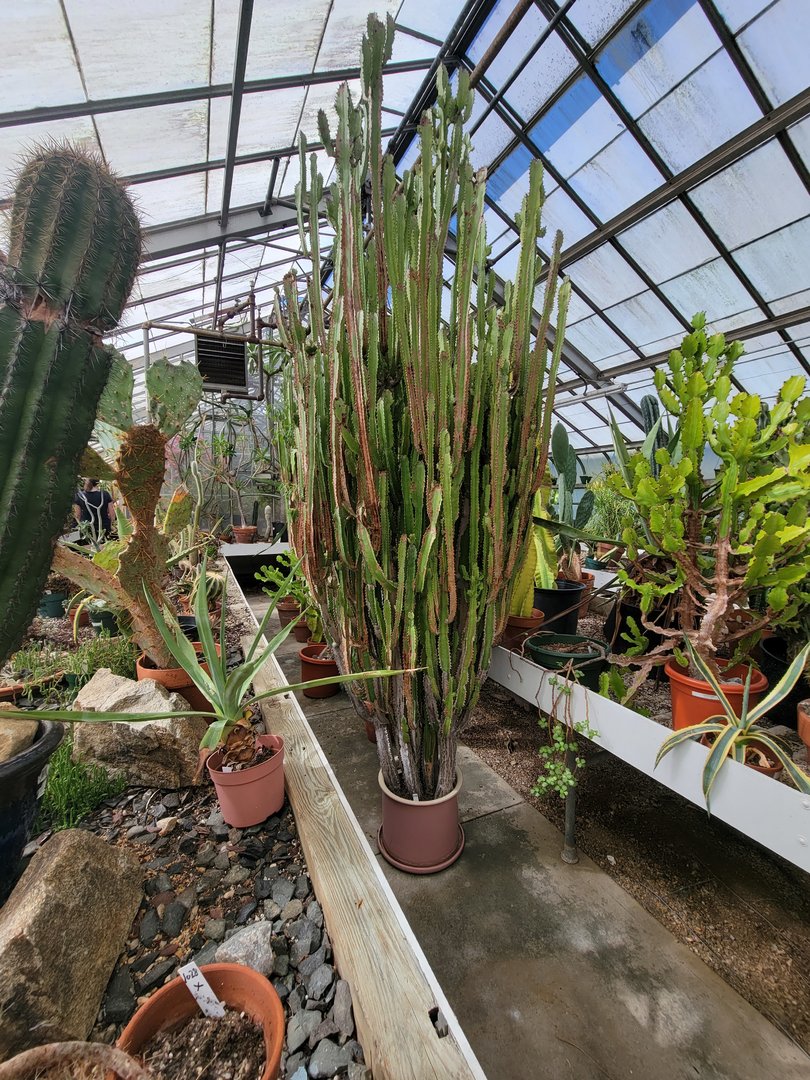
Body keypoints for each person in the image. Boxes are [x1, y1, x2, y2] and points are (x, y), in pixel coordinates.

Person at [73, 479, 114, 543]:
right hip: (103, 529)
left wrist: (77, 527)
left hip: (86, 529)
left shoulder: (79, 496)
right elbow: (112, 513)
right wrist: (110, 526)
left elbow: (77, 515)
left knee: (68, 539)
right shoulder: (105, 494)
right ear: (98, 483)